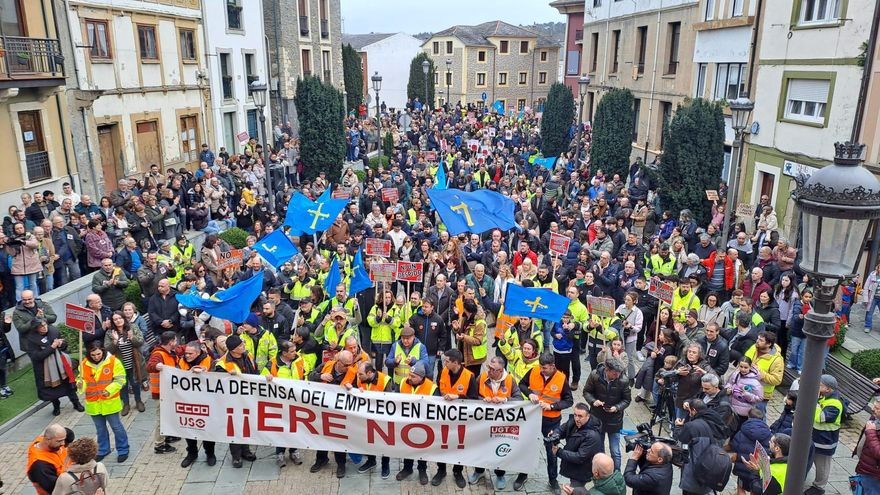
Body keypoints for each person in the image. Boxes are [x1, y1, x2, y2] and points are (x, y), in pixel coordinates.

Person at [520, 353, 574, 494]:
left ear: (552, 366)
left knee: (551, 451)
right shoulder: (534, 371)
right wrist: (529, 393)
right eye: (540, 367)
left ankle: (552, 480)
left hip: (551, 421)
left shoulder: (561, 378)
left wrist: (552, 406)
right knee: (527, 446)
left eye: (544, 368)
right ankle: (522, 474)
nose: (541, 370)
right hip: (533, 417)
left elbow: (569, 401)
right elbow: (522, 384)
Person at [470, 356, 521, 489]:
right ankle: (479, 471)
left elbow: (519, 399)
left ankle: (500, 474)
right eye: (489, 367)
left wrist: (505, 400)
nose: (489, 371)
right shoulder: (482, 377)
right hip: (483, 422)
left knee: (500, 448)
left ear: (500, 370)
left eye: (493, 369)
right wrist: (482, 400)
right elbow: (472, 395)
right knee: (480, 447)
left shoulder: (510, 380)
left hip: (501, 424)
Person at [78, 340, 129, 463]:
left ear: (103, 351)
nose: (96, 357)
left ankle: (123, 450)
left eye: (98, 354)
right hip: (93, 403)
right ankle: (103, 450)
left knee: (116, 427)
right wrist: (80, 384)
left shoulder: (113, 361)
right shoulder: (83, 364)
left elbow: (120, 380)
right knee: (100, 429)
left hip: (109, 402)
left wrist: (109, 390)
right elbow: (81, 380)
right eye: (93, 355)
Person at [307, 349, 356, 478]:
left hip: (340, 413)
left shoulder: (353, 373)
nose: (348, 367)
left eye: (350, 364)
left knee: (339, 438)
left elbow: (359, 391)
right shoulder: (326, 366)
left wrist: (353, 389)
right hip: (322, 410)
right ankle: (321, 459)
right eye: (345, 365)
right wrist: (320, 377)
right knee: (321, 435)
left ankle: (341, 464)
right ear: (338, 362)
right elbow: (310, 376)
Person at [214, 334, 258, 468]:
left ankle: (246, 451)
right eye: (240, 345)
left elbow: (255, 372)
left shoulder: (248, 356)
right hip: (232, 402)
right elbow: (220, 384)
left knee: (246, 426)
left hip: (248, 398)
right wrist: (228, 376)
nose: (243, 346)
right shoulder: (222, 364)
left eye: (242, 343)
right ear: (233, 349)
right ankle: (236, 456)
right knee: (234, 428)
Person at [395, 361, 441, 485]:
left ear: (421, 377)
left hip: (423, 426)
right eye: (409, 374)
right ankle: (407, 468)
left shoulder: (432, 388)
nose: (409, 378)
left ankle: (422, 470)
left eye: (413, 376)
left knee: (422, 449)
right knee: (407, 447)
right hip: (406, 423)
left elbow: (436, 407)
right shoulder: (403, 382)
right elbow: (394, 399)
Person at [26, 318, 83, 416]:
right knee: (51, 390)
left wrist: (61, 344)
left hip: (61, 365)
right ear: (36, 328)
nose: (44, 328)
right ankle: (56, 406)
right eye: (41, 326)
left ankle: (76, 403)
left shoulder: (53, 331)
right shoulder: (31, 339)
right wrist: (52, 347)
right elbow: (36, 356)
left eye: (45, 325)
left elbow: (64, 346)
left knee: (69, 386)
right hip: (45, 370)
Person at [582, 357, 630, 471]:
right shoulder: (595, 375)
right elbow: (587, 391)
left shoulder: (623, 380)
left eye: (618, 373)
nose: (617, 376)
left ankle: (617, 473)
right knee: (600, 449)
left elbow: (627, 400)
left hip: (615, 420)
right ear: (607, 370)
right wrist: (593, 401)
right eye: (614, 374)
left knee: (615, 451)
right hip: (597, 418)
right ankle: (603, 472)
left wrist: (617, 407)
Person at [347, 361, 392, 477]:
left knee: (384, 443)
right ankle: (371, 461)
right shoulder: (359, 378)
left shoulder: (385, 380)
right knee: (367, 440)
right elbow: (352, 389)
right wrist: (351, 388)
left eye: (360, 374)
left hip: (381, 418)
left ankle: (385, 465)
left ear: (369, 373)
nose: (358, 376)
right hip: (365, 417)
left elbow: (389, 402)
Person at [178, 340, 216, 467]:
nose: (187, 356)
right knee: (189, 429)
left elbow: (217, 378)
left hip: (206, 402)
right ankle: (192, 453)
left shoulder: (209, 361)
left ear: (198, 353)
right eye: (186, 353)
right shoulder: (181, 362)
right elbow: (176, 377)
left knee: (207, 430)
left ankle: (210, 453)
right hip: (188, 402)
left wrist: (205, 373)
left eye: (190, 353)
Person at [805, 374, 843, 495]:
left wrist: (814, 402)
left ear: (828, 389)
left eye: (820, 385)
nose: (817, 387)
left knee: (822, 466)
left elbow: (821, 418)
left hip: (825, 442)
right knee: (809, 459)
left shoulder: (835, 404)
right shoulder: (824, 397)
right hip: (816, 438)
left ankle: (819, 487)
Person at [552, 402, 603, 490]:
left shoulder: (592, 436)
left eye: (580, 416)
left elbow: (579, 457)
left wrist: (559, 452)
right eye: (575, 415)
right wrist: (555, 434)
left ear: (588, 416)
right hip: (573, 465)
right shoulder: (574, 421)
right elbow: (562, 429)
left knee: (576, 490)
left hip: (582, 471)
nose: (576, 419)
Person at [103, 310, 146, 416]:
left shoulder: (133, 327)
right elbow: (107, 349)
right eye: (115, 319)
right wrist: (115, 341)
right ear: (113, 321)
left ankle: (138, 401)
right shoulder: (110, 332)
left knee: (135, 382)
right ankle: (126, 404)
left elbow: (140, 342)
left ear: (124, 318)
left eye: (120, 318)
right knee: (122, 384)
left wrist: (132, 337)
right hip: (119, 365)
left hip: (134, 362)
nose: (118, 321)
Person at [146, 331, 179, 455]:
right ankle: (159, 444)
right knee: (162, 418)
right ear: (171, 342)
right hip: (161, 393)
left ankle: (167, 435)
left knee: (168, 415)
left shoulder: (168, 352)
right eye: (175, 340)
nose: (176, 342)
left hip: (167, 391)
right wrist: (156, 366)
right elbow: (150, 366)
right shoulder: (158, 354)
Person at [26, 424, 72, 495]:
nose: (63, 444)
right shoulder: (40, 466)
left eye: (64, 440)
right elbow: (57, 489)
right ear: (47, 440)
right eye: (59, 441)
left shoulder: (46, 441)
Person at [855, 398, 880, 494]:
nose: (873, 409)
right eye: (874, 406)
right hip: (865, 467)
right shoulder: (875, 417)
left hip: (874, 474)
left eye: (877, 408)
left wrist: (871, 432)